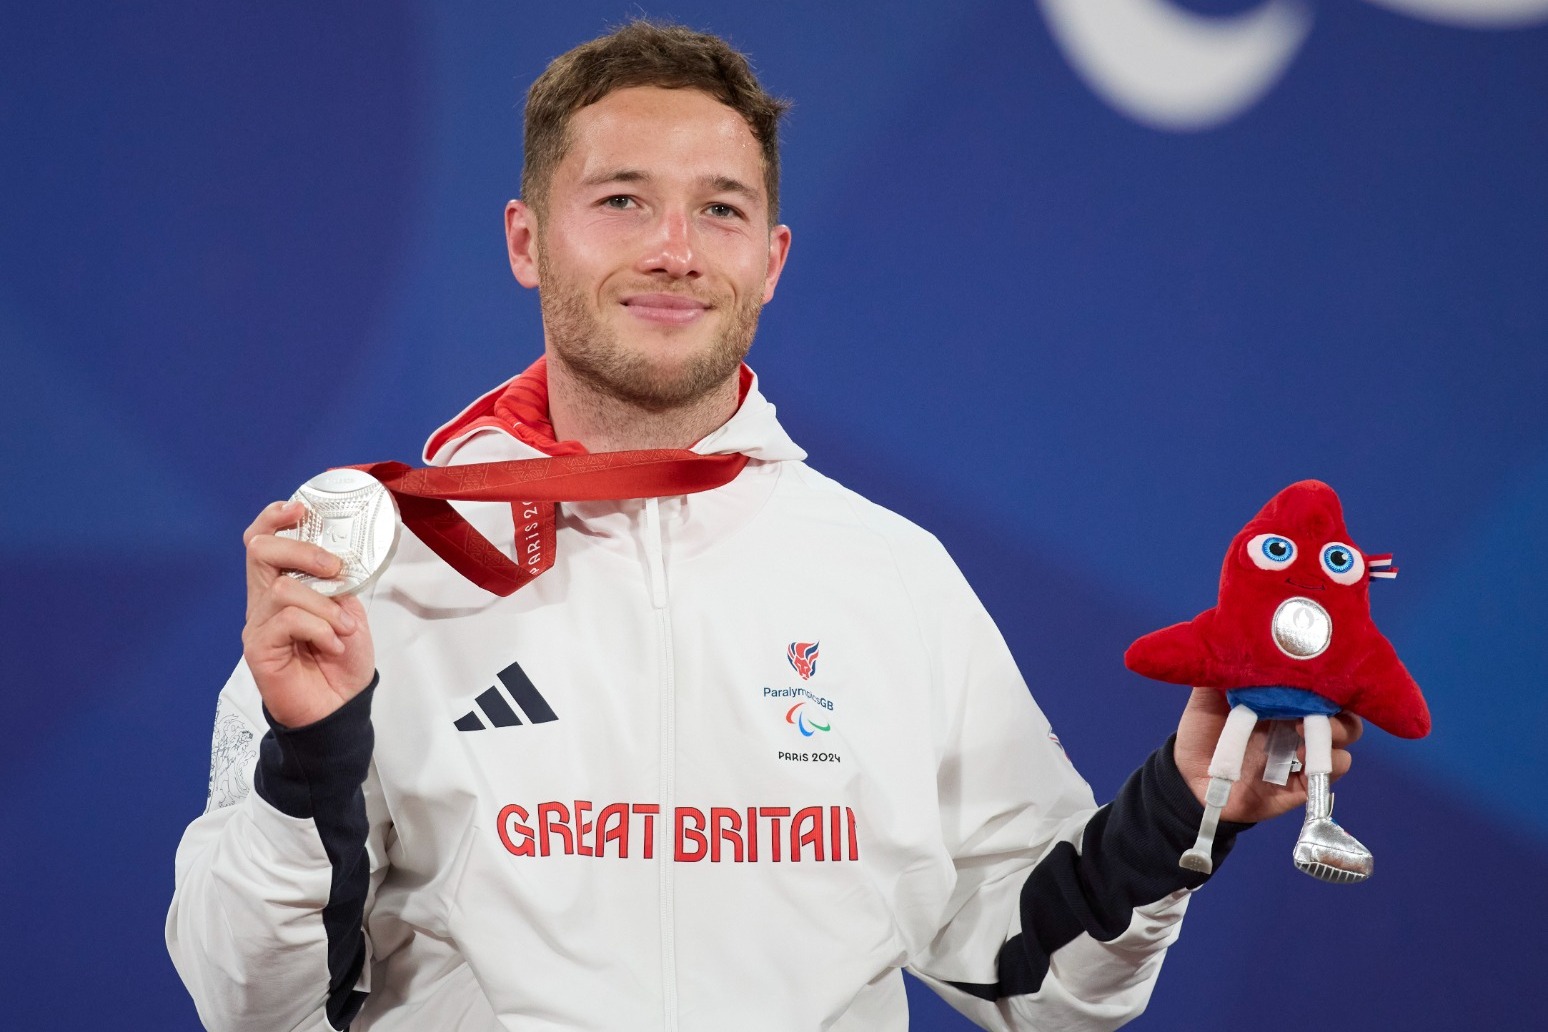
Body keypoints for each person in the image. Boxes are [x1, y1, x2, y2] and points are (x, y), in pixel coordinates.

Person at [167, 21, 1360, 1032]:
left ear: (772, 258)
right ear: (528, 240)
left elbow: (1040, 979)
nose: (675, 251)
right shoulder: (384, 573)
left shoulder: (889, 579)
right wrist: (308, 759)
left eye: (720, 210)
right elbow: (251, 1004)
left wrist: (1175, 804)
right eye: (622, 200)